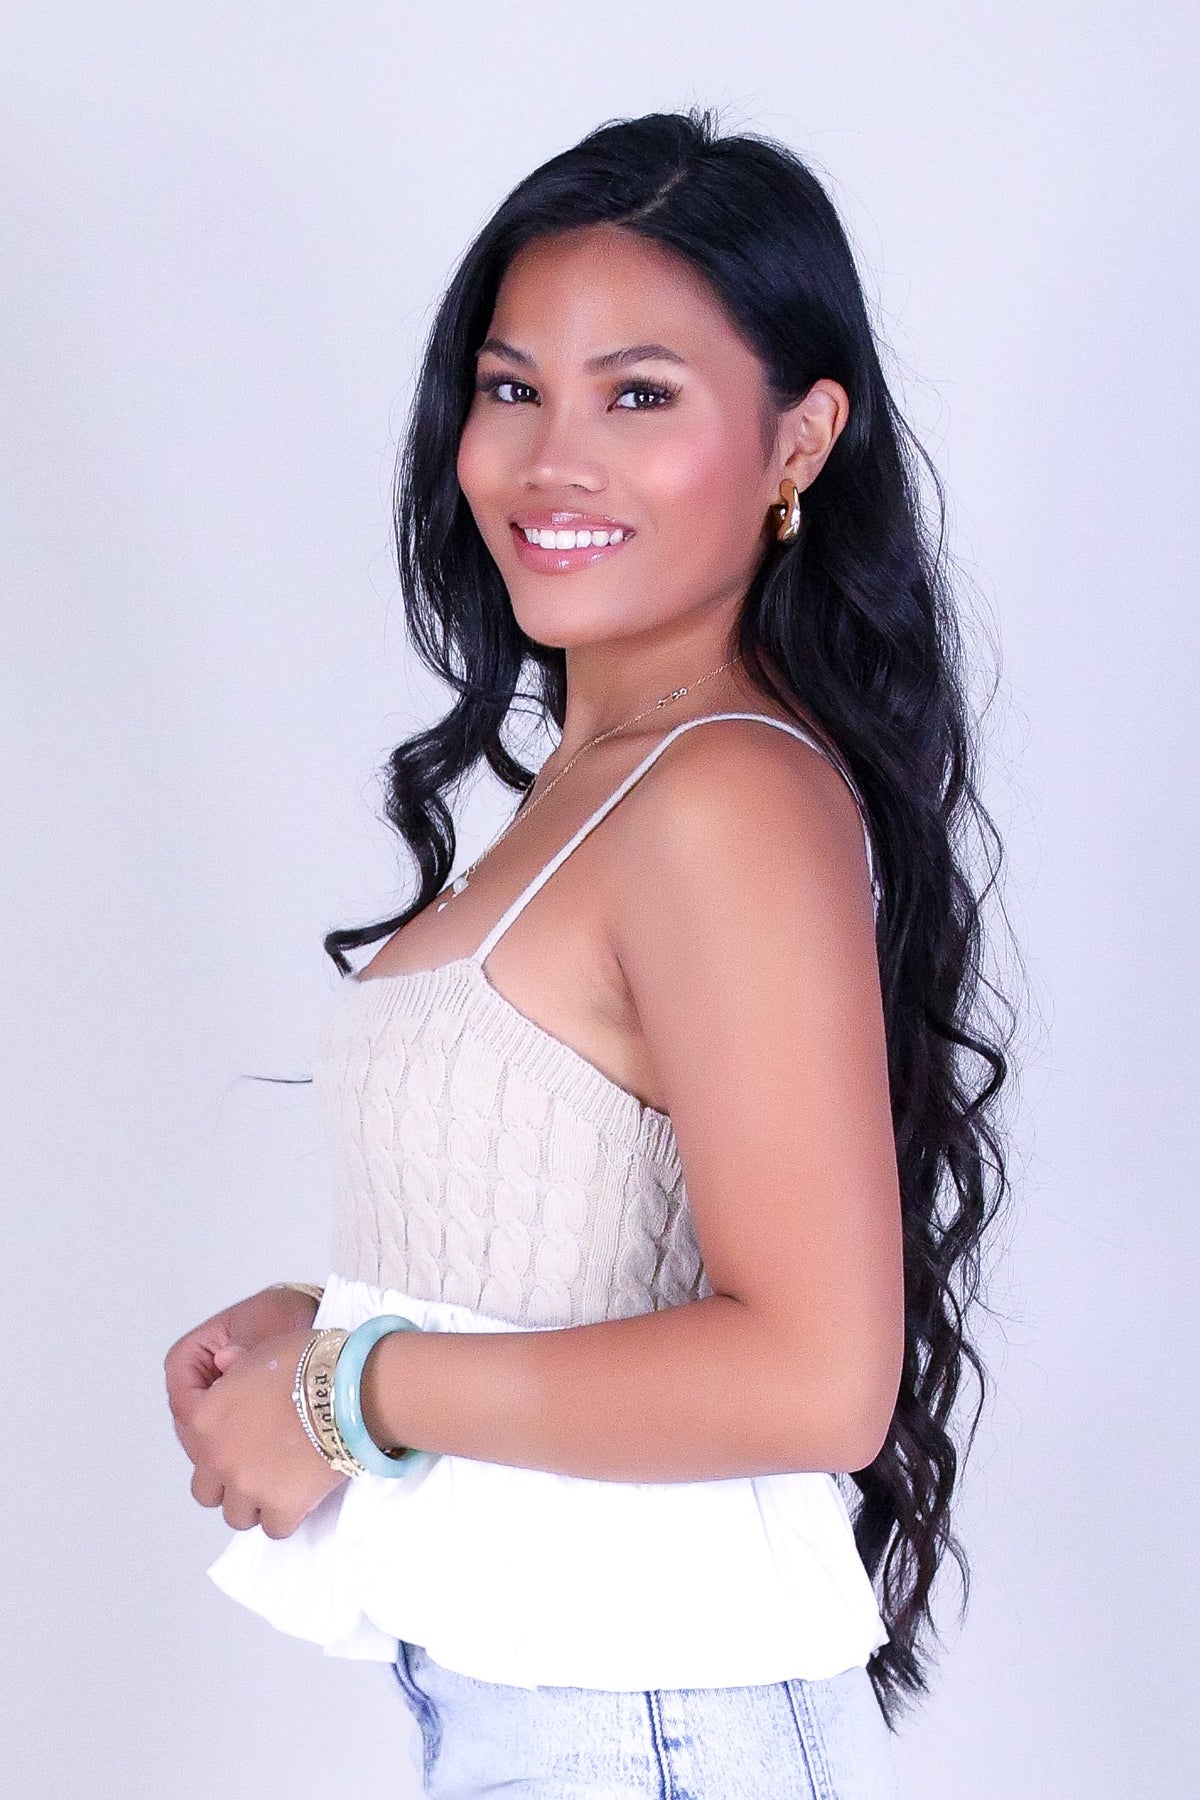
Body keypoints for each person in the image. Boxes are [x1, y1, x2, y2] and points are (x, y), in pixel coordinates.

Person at [163, 108, 1010, 1798]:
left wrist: (349, 1392)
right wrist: (336, 1321)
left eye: (639, 397)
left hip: (642, 1729)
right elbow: (607, 1246)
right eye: (511, 387)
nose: (553, 460)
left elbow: (816, 1375)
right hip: (565, 1713)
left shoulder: (723, 798)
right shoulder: (605, 783)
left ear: (798, 439)